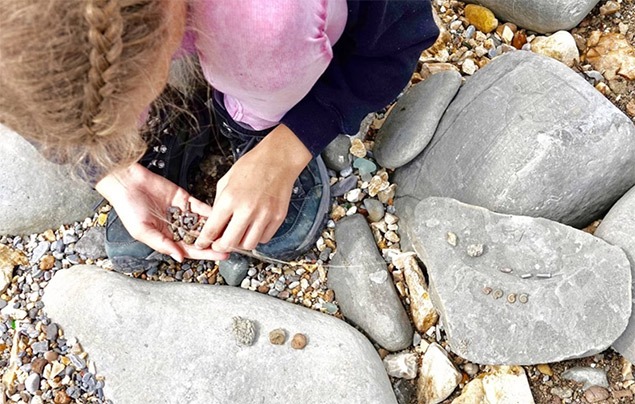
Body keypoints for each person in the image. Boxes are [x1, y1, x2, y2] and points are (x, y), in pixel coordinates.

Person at [0, 0, 439, 268]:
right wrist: (112, 173)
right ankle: (162, 115)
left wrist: (287, 148)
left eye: (149, 89)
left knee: (266, 33)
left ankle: (252, 119)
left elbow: (400, 38)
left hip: (267, 20)